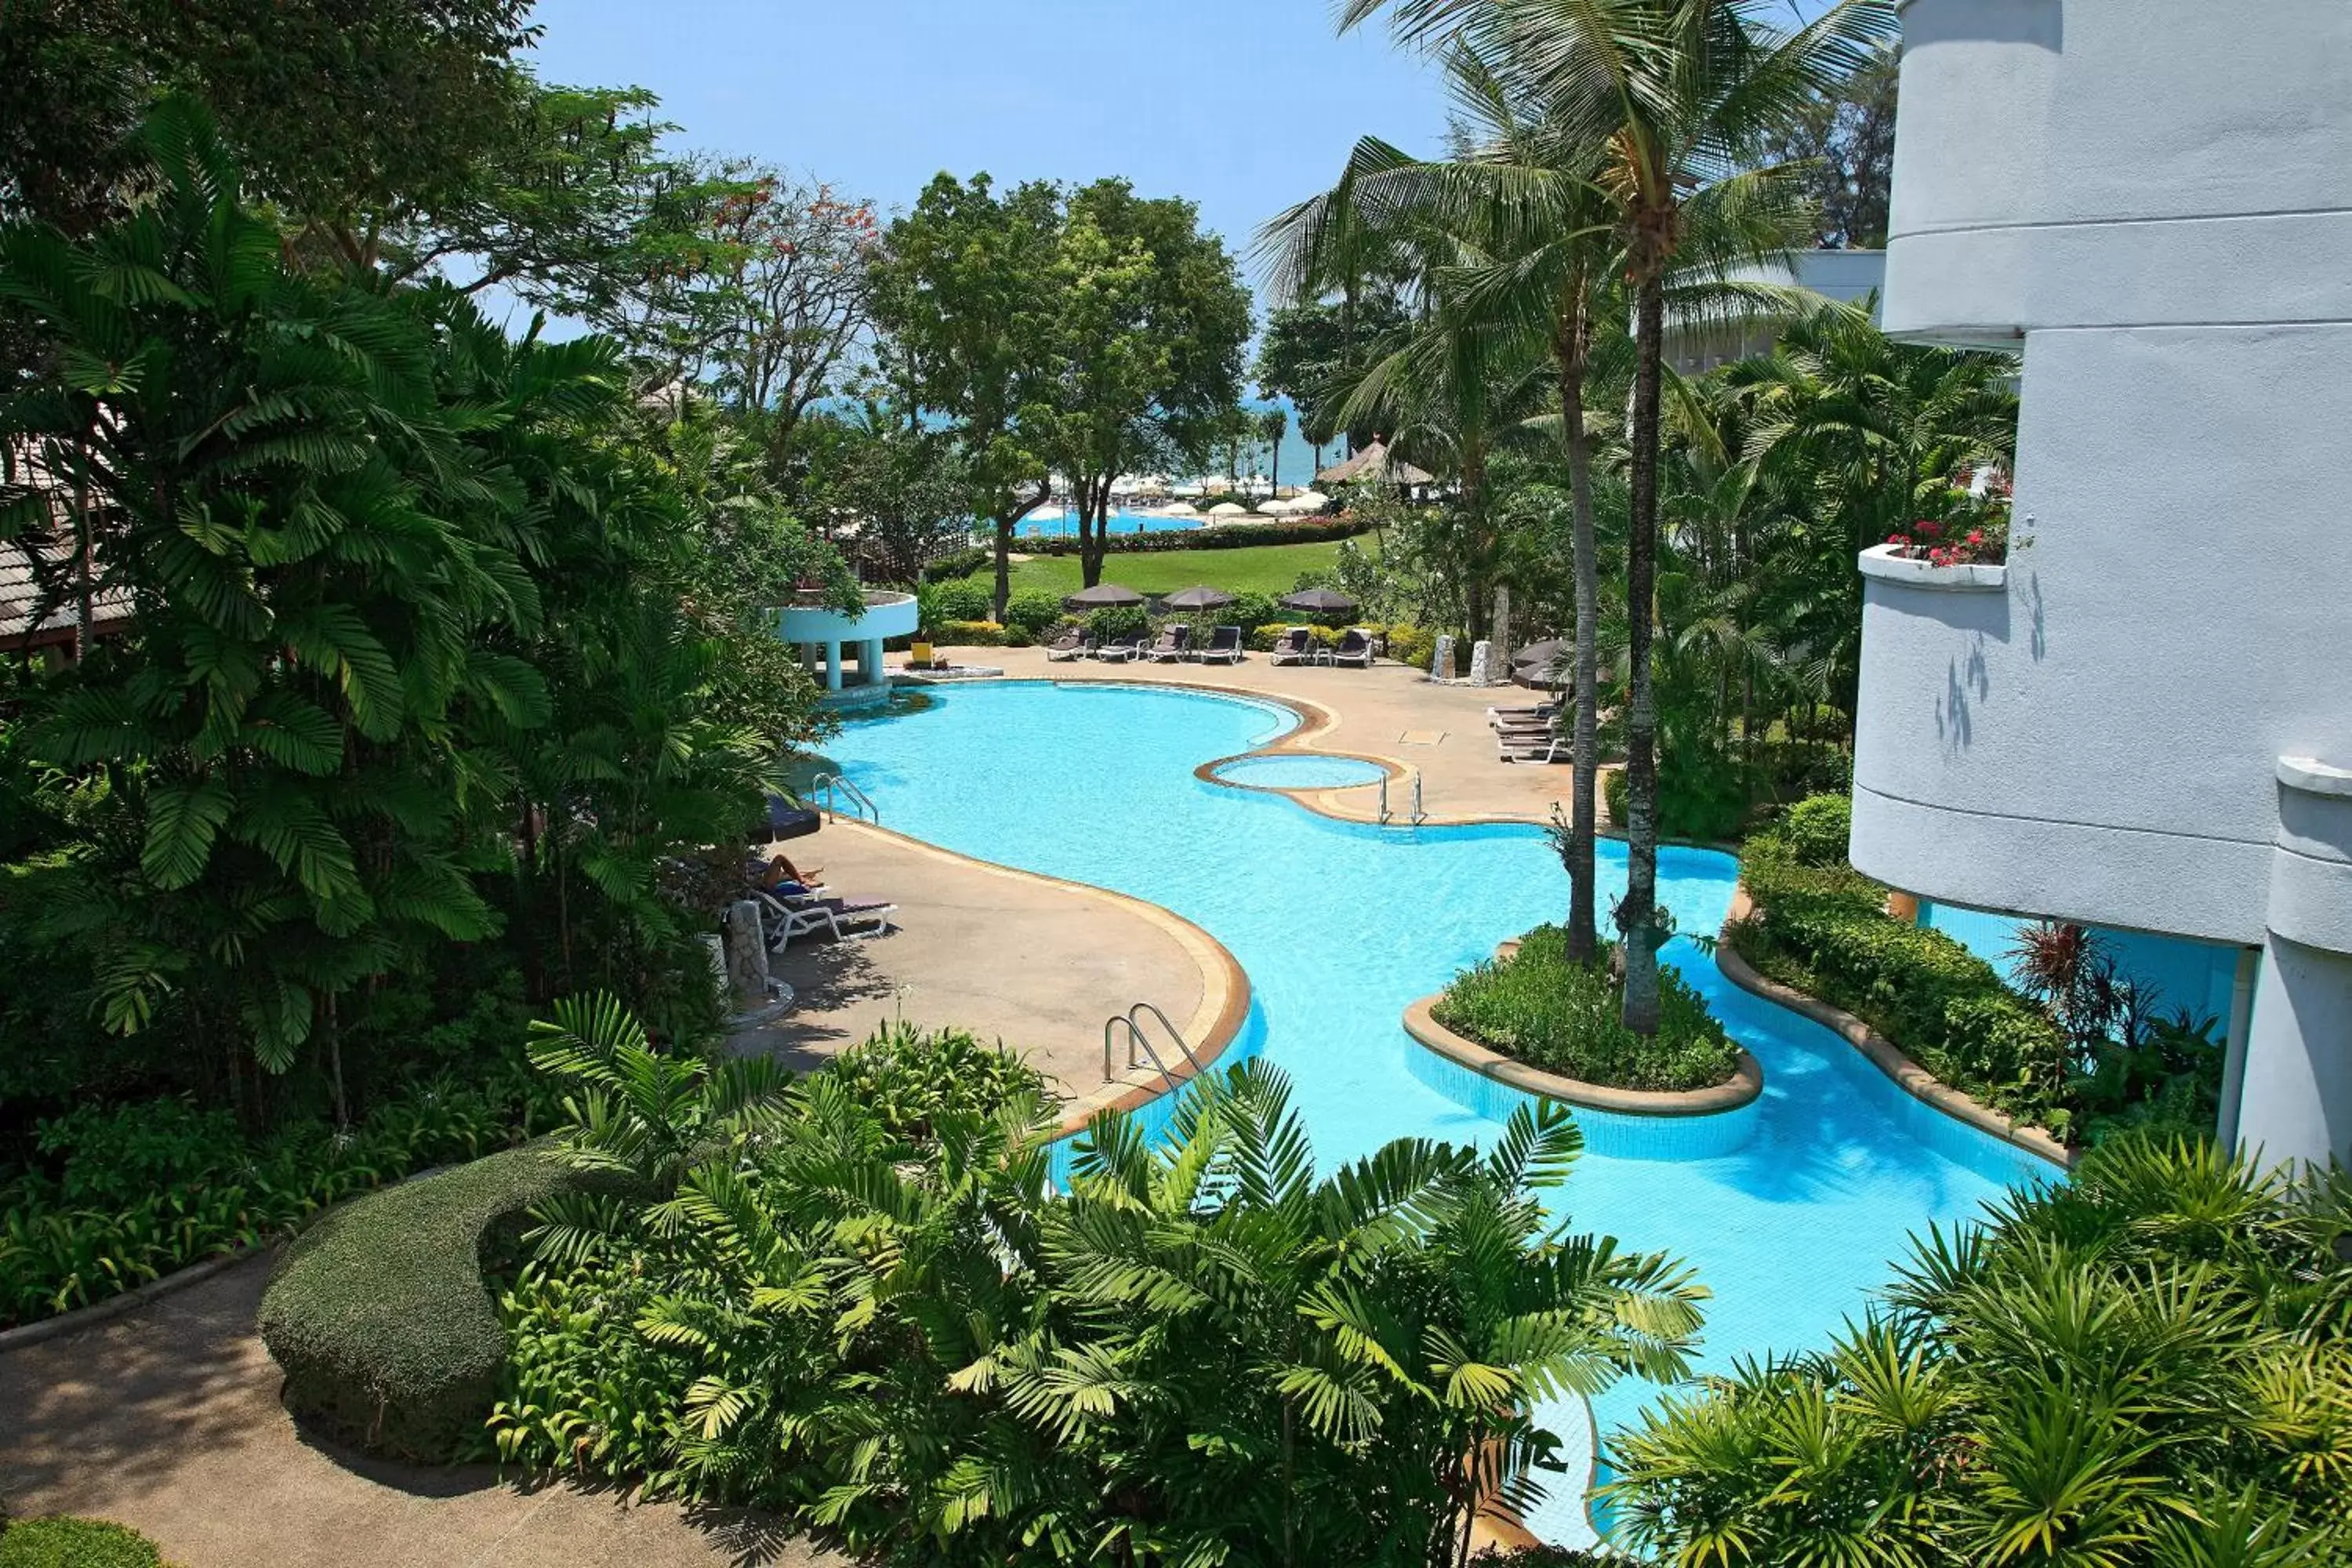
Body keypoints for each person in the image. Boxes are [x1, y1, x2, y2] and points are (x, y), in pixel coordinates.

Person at [747, 850, 822, 893]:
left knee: (783, 872)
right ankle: (803, 880)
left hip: (761, 883)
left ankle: (805, 876)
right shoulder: (745, 864)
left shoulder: (745, 862)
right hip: (763, 887)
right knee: (780, 858)